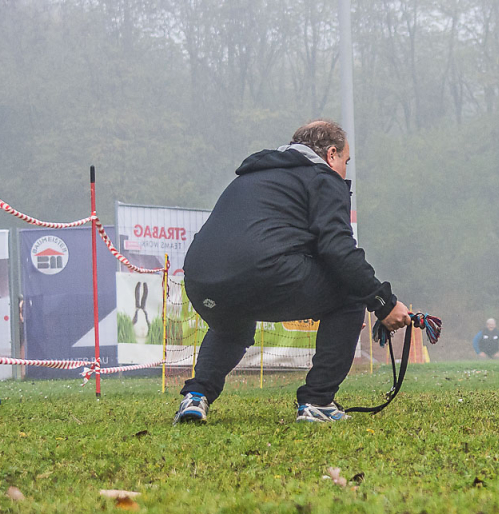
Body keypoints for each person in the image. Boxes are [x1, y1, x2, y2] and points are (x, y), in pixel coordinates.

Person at [175, 120, 411, 424]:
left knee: (232, 328)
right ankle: (317, 402)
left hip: (201, 281)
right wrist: (383, 303)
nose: (344, 171)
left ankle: (196, 397)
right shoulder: (323, 178)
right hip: (264, 271)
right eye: (345, 162)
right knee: (351, 293)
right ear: (331, 154)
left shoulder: (251, 176)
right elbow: (337, 249)